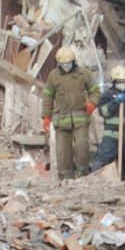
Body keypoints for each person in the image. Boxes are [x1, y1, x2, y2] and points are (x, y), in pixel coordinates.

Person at [41, 46, 92, 180]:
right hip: (61, 119)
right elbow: (48, 96)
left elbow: (96, 91)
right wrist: (46, 116)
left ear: (74, 62)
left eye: (68, 64)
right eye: (63, 65)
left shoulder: (84, 74)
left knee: (82, 147)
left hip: (80, 118)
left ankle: (82, 175)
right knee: (63, 152)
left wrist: (92, 103)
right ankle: (65, 177)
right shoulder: (53, 76)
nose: (66, 67)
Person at [96, 65, 125, 176]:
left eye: (124, 82)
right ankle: (96, 182)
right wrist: (115, 103)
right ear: (114, 81)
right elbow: (103, 112)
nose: (122, 84)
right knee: (103, 161)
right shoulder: (107, 95)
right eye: (120, 82)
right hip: (112, 136)